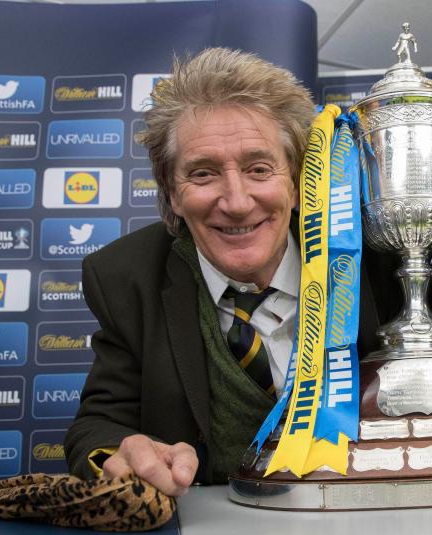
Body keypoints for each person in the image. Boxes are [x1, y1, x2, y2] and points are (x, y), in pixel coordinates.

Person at [65, 48, 380, 496]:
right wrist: (124, 452)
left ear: (296, 183)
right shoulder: (124, 277)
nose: (236, 201)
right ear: (172, 194)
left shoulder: (377, 261)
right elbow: (98, 425)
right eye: (203, 173)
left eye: (258, 169)